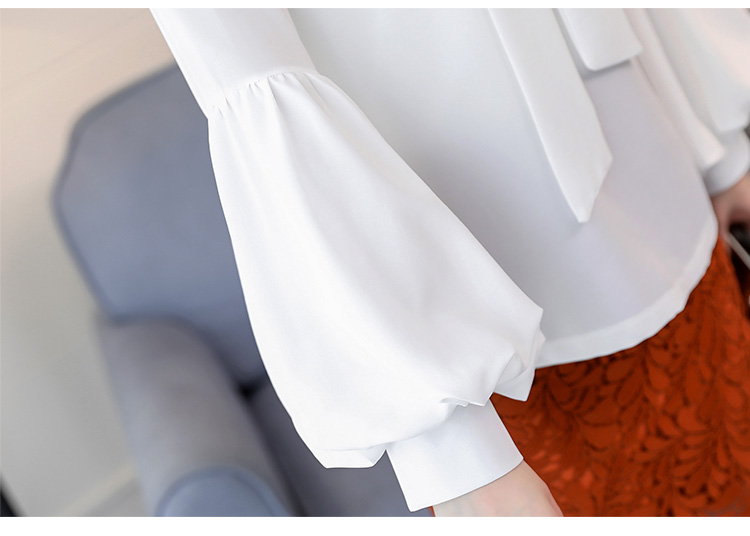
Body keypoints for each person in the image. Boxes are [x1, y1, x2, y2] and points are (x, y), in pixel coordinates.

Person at [150, 8, 750, 516]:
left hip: (672, 203)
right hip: (503, 328)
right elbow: (254, 84)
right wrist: (457, 455)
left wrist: (722, 148)